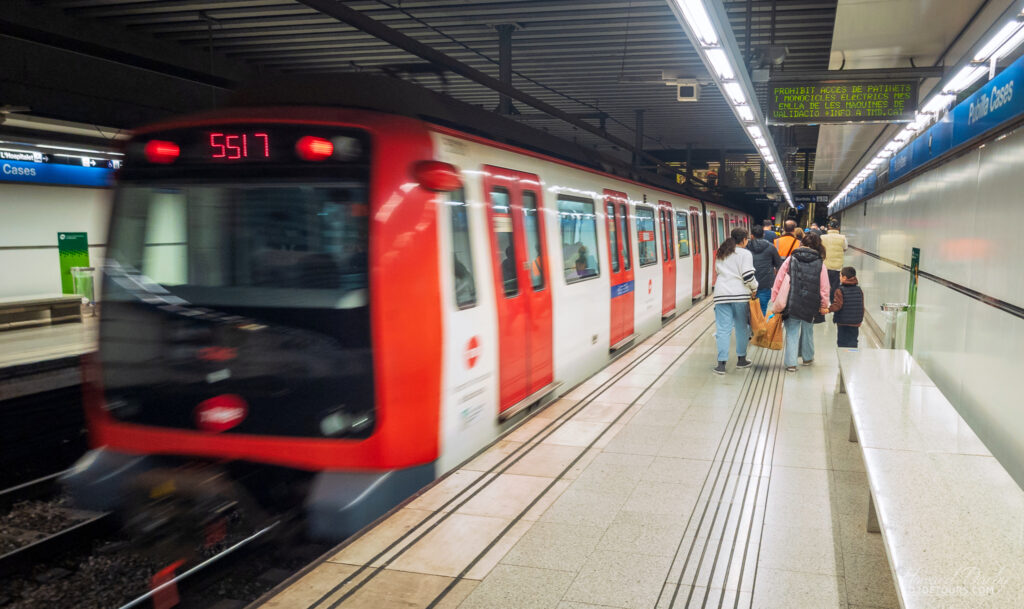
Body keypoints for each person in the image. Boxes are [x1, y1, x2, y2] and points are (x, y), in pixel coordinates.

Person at [771, 232, 830, 372]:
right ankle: (807, 358)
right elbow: (824, 287)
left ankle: (791, 364)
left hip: (792, 300)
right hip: (812, 301)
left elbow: (779, 279)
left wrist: (775, 298)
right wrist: (824, 304)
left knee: (791, 331)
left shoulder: (791, 259)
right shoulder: (820, 263)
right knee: (808, 330)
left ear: (802, 243)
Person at [712, 227, 758, 375]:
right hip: (740, 295)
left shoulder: (722, 252)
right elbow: (747, 275)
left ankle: (721, 364)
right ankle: (741, 359)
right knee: (741, 328)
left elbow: (718, 271)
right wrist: (754, 287)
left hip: (721, 294)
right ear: (744, 240)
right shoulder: (745, 253)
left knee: (723, 329)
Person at [747, 225, 783, 315]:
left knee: (747, 309)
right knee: (762, 308)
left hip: (748, 283)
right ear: (763, 235)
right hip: (765, 283)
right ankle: (759, 327)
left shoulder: (745, 248)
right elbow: (778, 264)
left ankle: (750, 326)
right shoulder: (771, 247)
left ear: (751, 236)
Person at [829, 266, 864, 348]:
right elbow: (862, 306)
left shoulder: (839, 290)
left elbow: (837, 305)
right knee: (853, 341)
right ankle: (852, 358)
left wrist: (828, 309)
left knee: (842, 343)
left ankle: (844, 359)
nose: (839, 277)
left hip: (843, 322)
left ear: (844, 278)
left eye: (840, 276)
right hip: (855, 323)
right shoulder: (859, 290)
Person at [820, 220, 848, 302]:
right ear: (838, 228)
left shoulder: (822, 237)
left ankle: (824, 301)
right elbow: (845, 248)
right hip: (837, 266)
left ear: (829, 227)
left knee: (824, 284)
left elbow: (820, 248)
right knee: (835, 285)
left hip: (825, 265)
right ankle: (833, 301)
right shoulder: (843, 238)